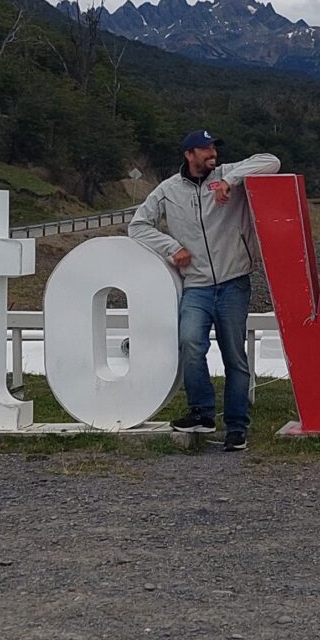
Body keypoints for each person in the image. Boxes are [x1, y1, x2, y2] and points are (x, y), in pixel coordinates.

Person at [127, 130, 279, 449]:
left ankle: (237, 427)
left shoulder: (228, 174)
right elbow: (138, 226)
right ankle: (202, 412)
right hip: (195, 285)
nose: (212, 153)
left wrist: (231, 181)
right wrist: (172, 248)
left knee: (234, 355)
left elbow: (271, 161)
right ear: (188, 154)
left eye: (214, 148)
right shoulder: (168, 190)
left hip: (233, 281)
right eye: (205, 148)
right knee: (190, 343)